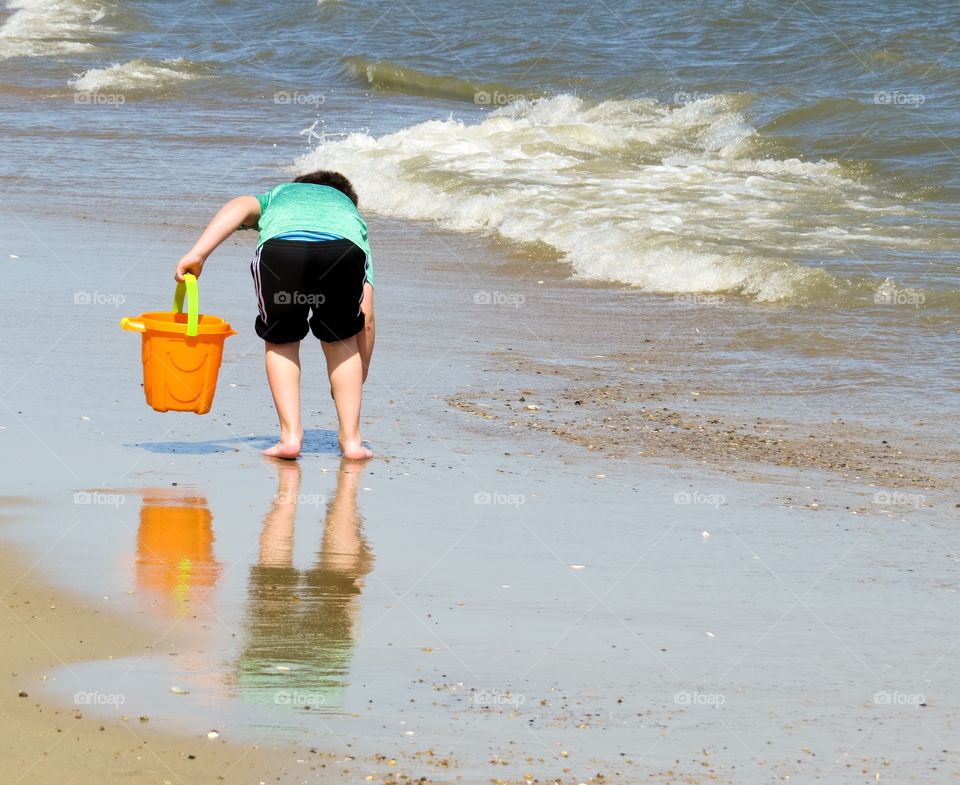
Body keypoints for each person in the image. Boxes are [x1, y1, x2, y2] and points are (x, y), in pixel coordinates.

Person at [174, 170, 375, 460]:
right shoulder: (352, 217)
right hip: (343, 253)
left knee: (282, 341)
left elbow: (240, 205)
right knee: (342, 342)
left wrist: (199, 253)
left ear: (300, 187)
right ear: (348, 200)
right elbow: (366, 319)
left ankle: (290, 438)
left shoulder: (280, 194)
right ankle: (352, 442)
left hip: (282, 253)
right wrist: (359, 376)